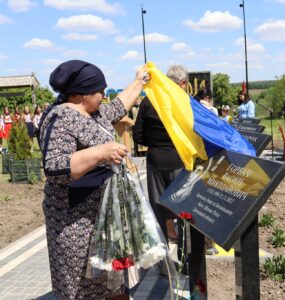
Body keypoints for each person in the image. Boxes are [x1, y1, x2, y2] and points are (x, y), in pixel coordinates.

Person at [38, 60, 148, 300]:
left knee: (112, 283)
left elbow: (119, 106)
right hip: (75, 222)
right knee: (83, 287)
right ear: (81, 94)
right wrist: (100, 153)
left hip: (102, 219)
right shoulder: (61, 118)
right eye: (99, 91)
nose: (103, 95)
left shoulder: (93, 112)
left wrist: (140, 80)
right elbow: (55, 166)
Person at [133, 65, 187, 243]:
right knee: (183, 205)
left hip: (155, 159)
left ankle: (162, 259)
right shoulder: (185, 101)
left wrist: (155, 143)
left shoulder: (148, 101)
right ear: (183, 83)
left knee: (158, 207)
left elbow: (137, 135)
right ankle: (186, 253)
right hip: (180, 159)